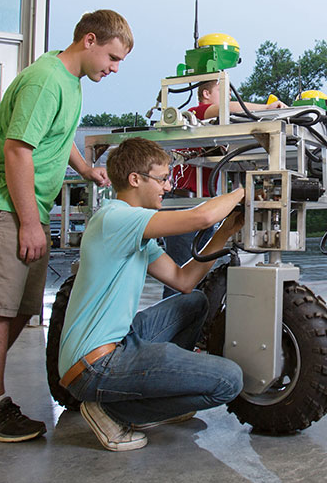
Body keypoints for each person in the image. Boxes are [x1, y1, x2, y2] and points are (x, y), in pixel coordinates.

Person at [0, 9, 134, 441]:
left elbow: (56, 141)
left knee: (23, 307)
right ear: (89, 40)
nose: (115, 69)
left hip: (24, 209)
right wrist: (29, 222)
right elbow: (17, 152)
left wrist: (86, 169)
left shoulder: (72, 84)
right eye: (113, 58)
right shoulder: (46, 79)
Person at [58, 137, 245, 451]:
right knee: (229, 381)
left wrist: (225, 231)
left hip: (119, 341)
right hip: (94, 364)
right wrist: (243, 190)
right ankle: (114, 411)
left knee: (193, 302)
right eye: (161, 179)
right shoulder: (115, 218)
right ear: (135, 180)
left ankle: (157, 390)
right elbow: (201, 217)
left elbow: (184, 280)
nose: (167, 186)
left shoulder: (134, 232)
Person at [162, 79, 288, 296]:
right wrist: (267, 108)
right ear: (205, 95)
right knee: (181, 278)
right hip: (184, 204)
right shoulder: (195, 113)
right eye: (223, 92)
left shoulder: (213, 132)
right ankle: (176, 325)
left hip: (202, 206)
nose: (229, 97)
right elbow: (226, 108)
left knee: (203, 275)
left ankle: (201, 325)